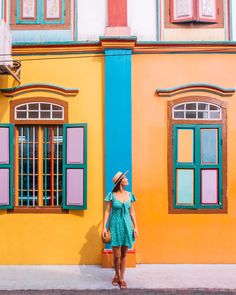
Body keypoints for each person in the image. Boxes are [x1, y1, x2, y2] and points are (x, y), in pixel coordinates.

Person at [102, 171, 138, 289]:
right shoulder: (112, 195)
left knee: (124, 254)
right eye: (125, 178)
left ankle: (121, 277)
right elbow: (107, 211)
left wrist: (136, 226)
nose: (127, 179)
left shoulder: (129, 194)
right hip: (115, 225)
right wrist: (104, 227)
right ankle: (116, 274)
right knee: (116, 255)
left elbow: (132, 211)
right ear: (120, 181)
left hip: (127, 225)